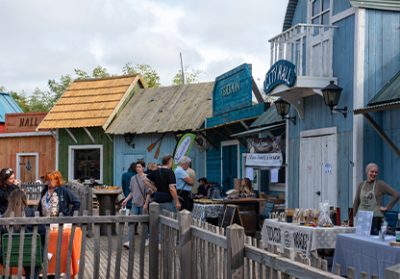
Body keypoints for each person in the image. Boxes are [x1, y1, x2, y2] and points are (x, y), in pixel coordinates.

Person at [2, 189, 45, 279]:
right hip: (30, 255)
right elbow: (43, 231)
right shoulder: (32, 213)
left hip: (10, 256)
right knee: (34, 252)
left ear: (10, 201)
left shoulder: (3, 217)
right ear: (25, 200)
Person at [353, 163, 399, 235]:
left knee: (373, 243)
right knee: (361, 241)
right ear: (367, 171)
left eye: (376, 172)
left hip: (375, 221)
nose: (374, 174)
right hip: (362, 220)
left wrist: (387, 208)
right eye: (372, 171)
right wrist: (351, 217)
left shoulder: (380, 184)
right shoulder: (361, 185)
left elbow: (396, 195)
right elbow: (356, 202)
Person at [122, 161, 151, 248]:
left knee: (145, 223)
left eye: (139, 167)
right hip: (134, 204)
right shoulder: (133, 178)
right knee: (131, 223)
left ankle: (147, 239)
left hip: (143, 204)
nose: (137, 168)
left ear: (143, 168)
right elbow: (132, 192)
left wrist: (146, 204)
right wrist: (126, 200)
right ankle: (129, 241)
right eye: (137, 167)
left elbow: (149, 193)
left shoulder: (147, 178)